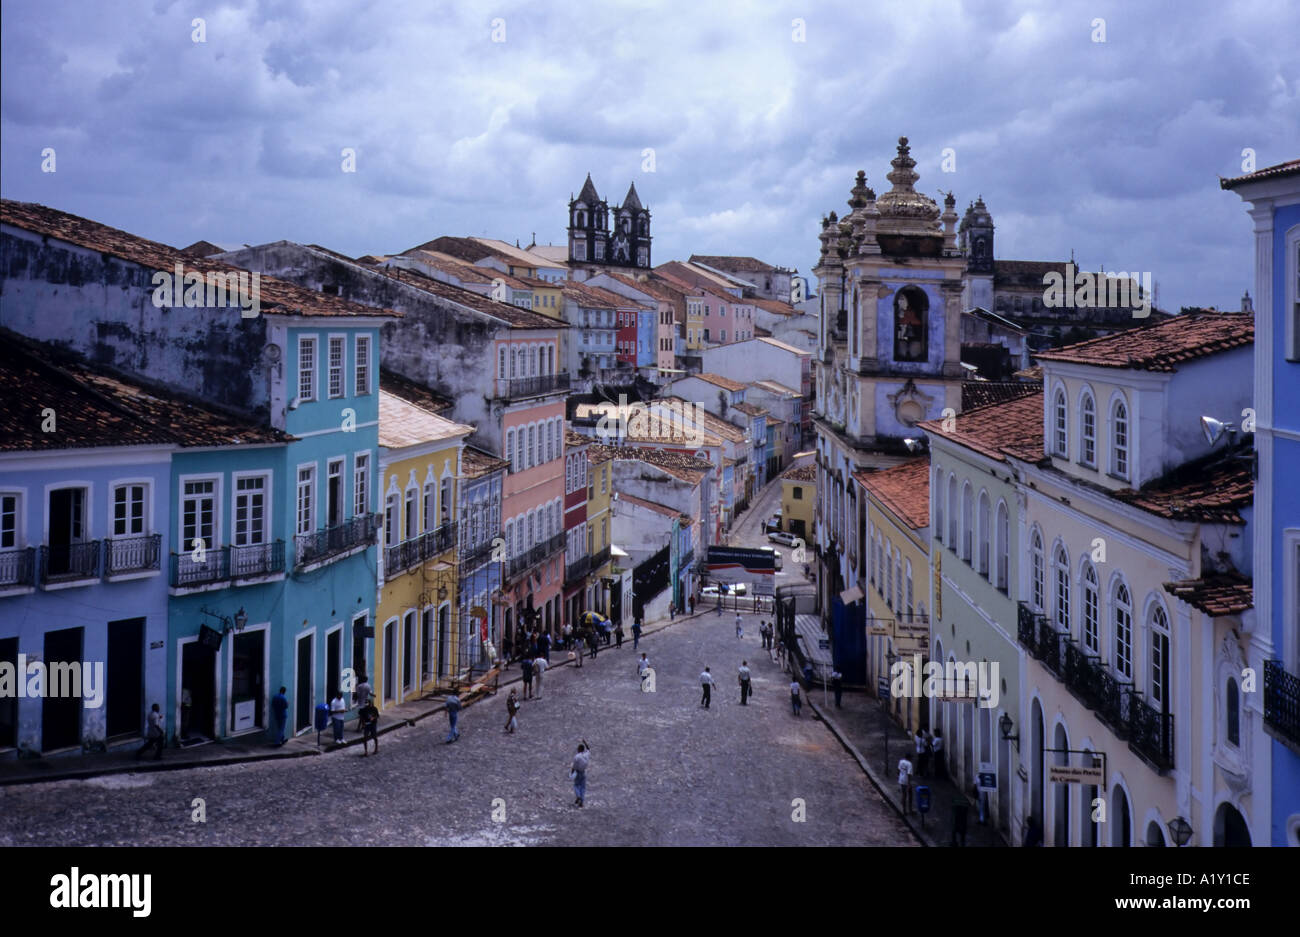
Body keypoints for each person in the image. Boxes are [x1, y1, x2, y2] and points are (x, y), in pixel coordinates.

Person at [571, 740, 591, 807]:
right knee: (583, 787)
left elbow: (574, 766)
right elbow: (588, 749)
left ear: (579, 749)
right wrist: (585, 742)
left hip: (578, 772)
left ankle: (578, 796)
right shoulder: (586, 755)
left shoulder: (577, 756)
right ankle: (581, 801)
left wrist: (572, 773)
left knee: (576, 785)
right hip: (583, 772)